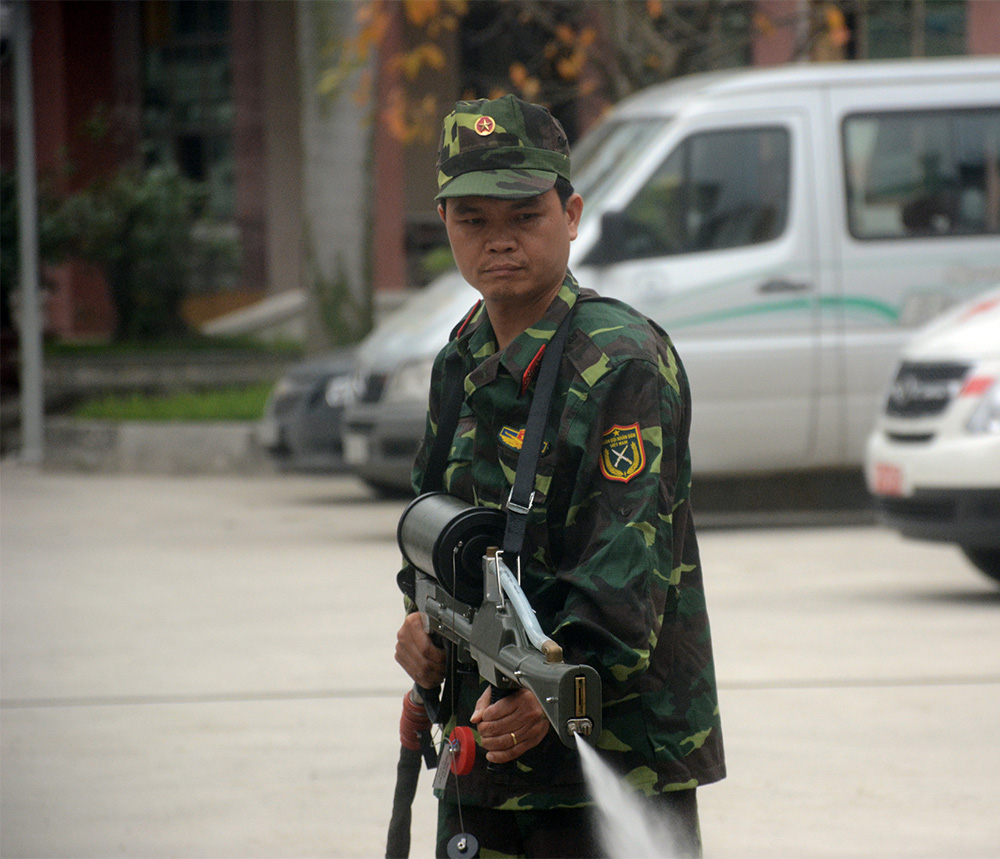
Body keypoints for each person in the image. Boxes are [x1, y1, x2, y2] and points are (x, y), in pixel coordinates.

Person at [394, 94, 725, 858]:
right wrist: (423, 627)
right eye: (472, 219)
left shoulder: (620, 359)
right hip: (483, 749)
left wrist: (556, 687)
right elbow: (430, 521)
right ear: (445, 224)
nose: (498, 240)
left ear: (571, 214)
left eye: (524, 216)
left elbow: (625, 574)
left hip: (612, 757)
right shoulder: (462, 354)